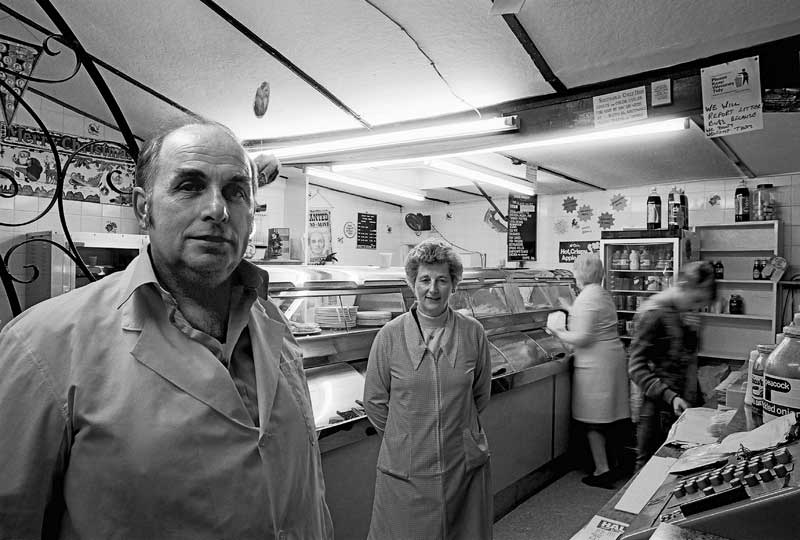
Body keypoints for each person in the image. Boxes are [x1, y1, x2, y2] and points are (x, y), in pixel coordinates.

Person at [0, 120, 334, 539]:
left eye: (236, 191)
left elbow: (309, 489)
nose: (218, 209)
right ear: (144, 208)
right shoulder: (43, 344)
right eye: (190, 186)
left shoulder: (272, 327)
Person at [363, 238, 493, 540]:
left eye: (442, 280)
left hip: (463, 466)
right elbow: (375, 402)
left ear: (454, 284)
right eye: (424, 279)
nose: (432, 289)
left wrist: (459, 433)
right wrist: (405, 437)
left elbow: (480, 395)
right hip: (406, 472)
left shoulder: (474, 333)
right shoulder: (389, 337)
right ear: (412, 283)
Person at [546, 253, 629, 489]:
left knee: (594, 420)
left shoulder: (586, 298)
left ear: (579, 273)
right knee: (608, 417)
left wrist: (557, 333)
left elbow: (582, 337)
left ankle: (602, 469)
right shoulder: (601, 294)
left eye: (574, 269)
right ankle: (614, 463)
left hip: (596, 365)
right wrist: (570, 308)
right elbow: (591, 320)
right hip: (610, 359)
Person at [628, 260, 717, 470]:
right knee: (649, 469)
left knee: (673, 467)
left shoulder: (677, 312)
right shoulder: (654, 313)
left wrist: (693, 334)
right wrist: (671, 396)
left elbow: (680, 356)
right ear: (683, 286)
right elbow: (636, 366)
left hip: (677, 406)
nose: (696, 307)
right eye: (695, 299)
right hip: (656, 409)